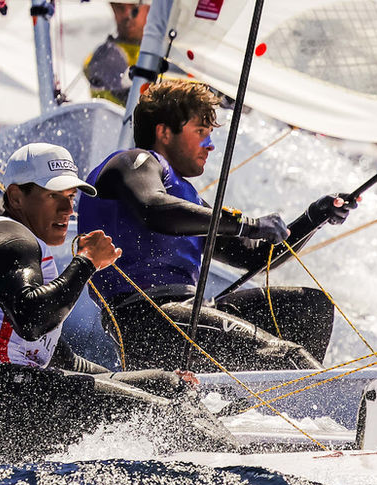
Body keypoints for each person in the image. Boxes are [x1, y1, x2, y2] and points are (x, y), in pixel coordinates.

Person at [0, 142, 237, 463]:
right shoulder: (9, 237)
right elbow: (33, 320)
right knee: (169, 420)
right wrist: (86, 261)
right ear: (16, 197)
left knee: (167, 385)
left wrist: (140, 382)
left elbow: (63, 361)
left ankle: (222, 448)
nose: (67, 209)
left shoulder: (13, 244)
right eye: (53, 196)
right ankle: (236, 463)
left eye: (71, 197)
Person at [78, 80, 353, 373]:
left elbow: (256, 256)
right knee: (286, 357)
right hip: (147, 318)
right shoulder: (133, 161)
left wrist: (314, 217)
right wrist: (247, 224)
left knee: (309, 307)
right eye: (200, 132)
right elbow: (152, 209)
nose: (209, 145)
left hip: (190, 310)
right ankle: (316, 390)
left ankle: (272, 397)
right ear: (164, 132)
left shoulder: (188, 199)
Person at [84, 0, 149, 105]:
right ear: (113, 8)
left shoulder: (167, 51)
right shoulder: (104, 56)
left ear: (150, 8)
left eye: (134, 7)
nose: (127, 14)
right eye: (120, 7)